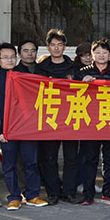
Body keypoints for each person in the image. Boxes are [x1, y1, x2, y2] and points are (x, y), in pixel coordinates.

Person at [0, 42, 47, 211]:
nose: (10, 60)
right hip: (6, 131)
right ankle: (14, 196)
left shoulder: (25, 77)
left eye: (12, 57)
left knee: (31, 162)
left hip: (27, 129)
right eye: (5, 57)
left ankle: (32, 195)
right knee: (10, 165)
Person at [77, 39, 110, 204]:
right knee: (90, 159)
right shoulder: (82, 73)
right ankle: (88, 193)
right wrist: (81, 83)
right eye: (97, 52)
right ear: (92, 55)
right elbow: (71, 93)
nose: (101, 55)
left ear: (109, 54)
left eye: (104, 52)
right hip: (90, 122)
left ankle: (109, 191)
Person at [35, 28, 79, 204]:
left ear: (64, 47)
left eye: (59, 45)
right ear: (48, 47)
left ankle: (69, 192)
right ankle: (52, 192)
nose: (56, 48)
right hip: (49, 119)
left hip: (71, 118)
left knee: (71, 158)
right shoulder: (40, 69)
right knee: (49, 158)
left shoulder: (74, 68)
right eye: (53, 45)